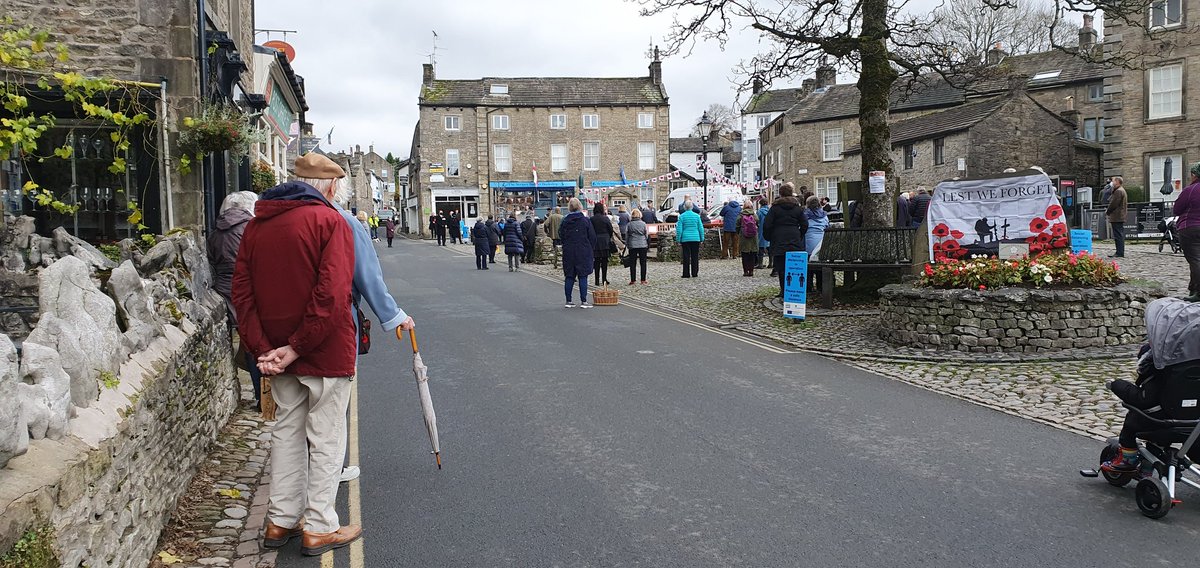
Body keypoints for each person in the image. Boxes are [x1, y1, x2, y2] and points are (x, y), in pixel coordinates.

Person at [231, 156, 361, 556]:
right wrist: (297, 347)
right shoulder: (331, 222)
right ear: (331, 188)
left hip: (275, 351)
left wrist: (264, 350)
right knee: (325, 437)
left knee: (286, 433)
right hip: (323, 351)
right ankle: (320, 525)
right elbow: (332, 296)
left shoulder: (256, 225)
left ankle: (280, 520)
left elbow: (242, 293)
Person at [208, 191, 261, 409]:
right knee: (259, 344)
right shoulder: (251, 229)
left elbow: (211, 262)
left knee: (248, 343)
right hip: (249, 290)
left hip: (224, 290)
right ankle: (265, 398)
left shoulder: (215, 232)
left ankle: (261, 397)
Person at [762, 183, 808, 297]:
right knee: (795, 265)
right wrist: (800, 235)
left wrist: (769, 237)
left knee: (781, 266)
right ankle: (795, 290)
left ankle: (783, 290)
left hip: (779, 238)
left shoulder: (775, 208)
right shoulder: (797, 208)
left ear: (780, 194)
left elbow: (767, 224)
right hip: (794, 237)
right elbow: (805, 224)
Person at [560, 198, 596, 308]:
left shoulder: (565, 221)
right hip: (583, 249)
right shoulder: (585, 220)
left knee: (569, 276)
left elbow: (561, 234)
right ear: (580, 206)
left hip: (569, 250)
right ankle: (584, 301)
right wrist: (590, 249)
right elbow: (592, 237)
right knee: (583, 275)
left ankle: (568, 300)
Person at [1173, 163, 1200, 301]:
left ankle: (1198, 292)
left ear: (1194, 175)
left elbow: (1176, 209)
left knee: (1195, 260)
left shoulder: (1191, 189)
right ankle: (1193, 290)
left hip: (1191, 227)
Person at [804, 195, 830, 292]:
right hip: (821, 245)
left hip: (808, 245)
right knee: (820, 267)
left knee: (808, 268)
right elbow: (827, 226)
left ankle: (808, 287)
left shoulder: (805, 216)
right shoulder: (824, 216)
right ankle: (821, 287)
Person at [676, 198, 705, 278]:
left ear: (684, 207)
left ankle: (686, 273)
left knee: (686, 256)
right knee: (695, 256)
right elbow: (700, 228)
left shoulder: (682, 216)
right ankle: (695, 273)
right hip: (695, 238)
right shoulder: (697, 216)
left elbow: (679, 229)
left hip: (685, 238)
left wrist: (678, 239)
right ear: (692, 207)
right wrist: (702, 238)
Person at [591, 202, 614, 286]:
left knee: (596, 261)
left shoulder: (592, 219)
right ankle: (604, 279)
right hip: (605, 241)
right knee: (604, 261)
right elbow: (610, 230)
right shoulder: (605, 218)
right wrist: (608, 236)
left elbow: (590, 231)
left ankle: (596, 280)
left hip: (596, 242)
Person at [625, 208, 649, 285]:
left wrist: (627, 244)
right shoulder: (643, 224)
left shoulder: (629, 224)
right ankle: (643, 280)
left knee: (632, 263)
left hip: (632, 244)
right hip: (642, 244)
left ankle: (633, 280)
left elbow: (627, 236)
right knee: (643, 262)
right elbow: (646, 234)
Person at [1106, 176, 1128, 258]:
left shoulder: (1119, 191)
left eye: (1114, 181)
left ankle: (1119, 252)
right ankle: (1119, 251)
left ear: (1118, 182)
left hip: (1117, 216)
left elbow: (1114, 204)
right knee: (1119, 234)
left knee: (1118, 235)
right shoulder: (1120, 190)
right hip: (1119, 216)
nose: (1112, 182)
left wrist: (1108, 211)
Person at [736, 206, 759, 277]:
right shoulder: (754, 215)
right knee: (752, 254)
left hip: (744, 237)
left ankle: (745, 271)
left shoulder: (740, 215)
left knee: (744, 255)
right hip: (753, 238)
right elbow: (758, 223)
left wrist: (739, 233)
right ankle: (751, 271)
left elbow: (737, 226)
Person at [756, 197, 771, 270]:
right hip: (769, 229)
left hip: (761, 229)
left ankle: (760, 263)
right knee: (769, 247)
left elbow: (757, 221)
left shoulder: (759, 212)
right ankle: (771, 263)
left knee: (761, 247)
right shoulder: (770, 211)